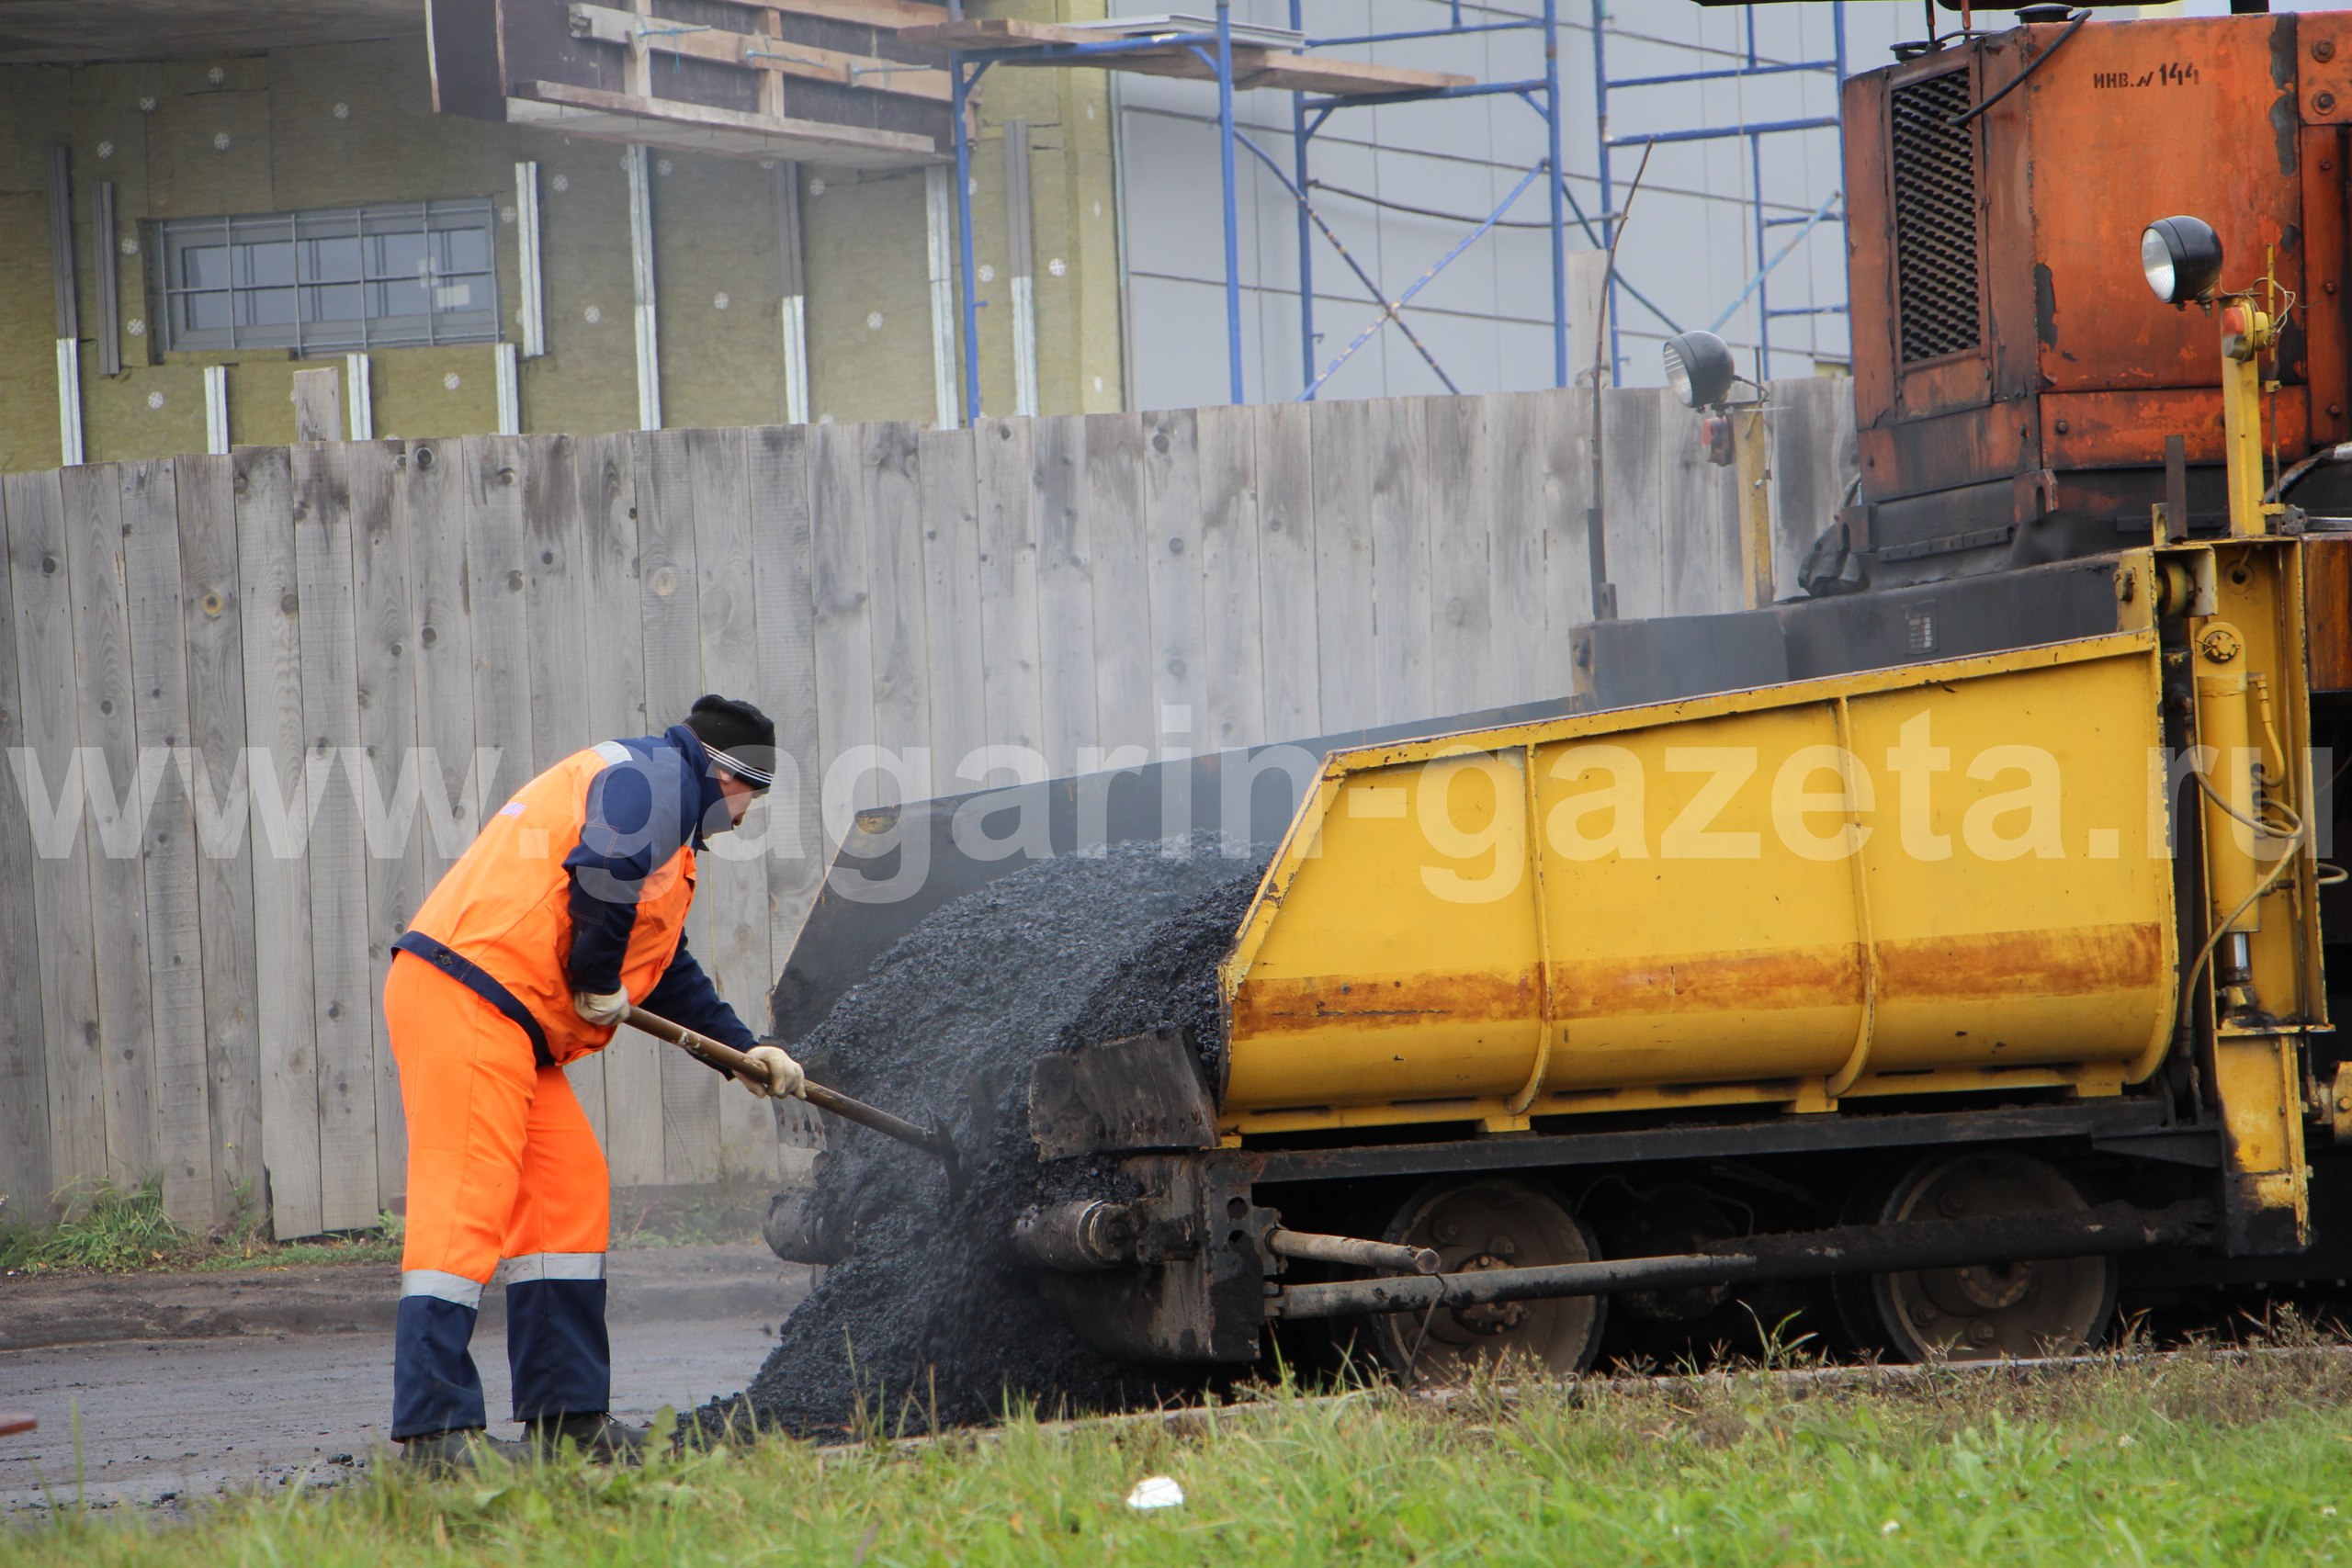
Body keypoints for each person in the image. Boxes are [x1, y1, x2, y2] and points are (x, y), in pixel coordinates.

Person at [381, 694, 806, 1470]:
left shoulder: (667, 833)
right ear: (725, 776)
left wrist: (747, 1051)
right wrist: (594, 974)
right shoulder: (650, 779)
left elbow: (666, 970)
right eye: (752, 797)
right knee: (466, 1201)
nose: (745, 818)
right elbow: (601, 878)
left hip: (514, 1021)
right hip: (469, 992)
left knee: (568, 1193)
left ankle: (565, 1420)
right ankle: (436, 1434)